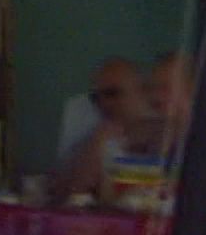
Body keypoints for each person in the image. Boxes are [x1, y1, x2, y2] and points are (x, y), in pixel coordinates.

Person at [55, 57, 146, 198]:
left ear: (140, 90)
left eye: (113, 93)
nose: (104, 103)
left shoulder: (163, 129)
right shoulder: (95, 134)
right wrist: (96, 144)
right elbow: (67, 193)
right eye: (96, 98)